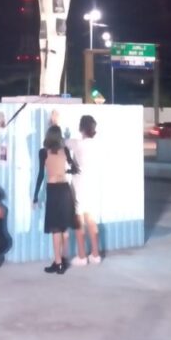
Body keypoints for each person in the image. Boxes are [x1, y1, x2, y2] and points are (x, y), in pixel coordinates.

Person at [33, 125, 79, 274]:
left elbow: (41, 175)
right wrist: (66, 170)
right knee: (64, 227)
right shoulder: (65, 150)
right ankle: (62, 259)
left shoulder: (43, 152)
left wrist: (35, 196)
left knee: (56, 229)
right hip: (65, 189)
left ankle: (58, 263)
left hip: (53, 191)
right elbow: (75, 168)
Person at [68, 114, 102, 266]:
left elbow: (60, 141)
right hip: (93, 185)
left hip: (79, 187)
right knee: (91, 220)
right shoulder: (97, 145)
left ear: (81, 128)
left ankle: (82, 256)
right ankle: (95, 254)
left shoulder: (77, 144)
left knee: (79, 220)